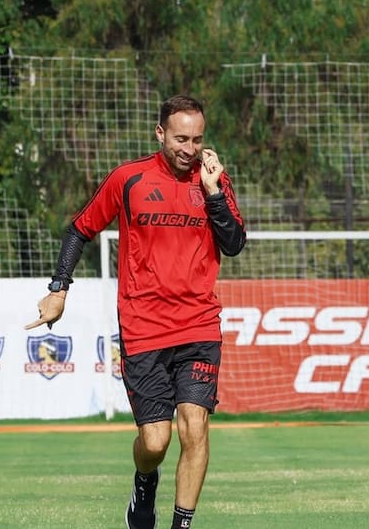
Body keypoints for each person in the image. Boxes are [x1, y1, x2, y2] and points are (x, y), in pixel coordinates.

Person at [25, 95, 245, 529]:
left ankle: (182, 523)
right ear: (160, 133)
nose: (190, 148)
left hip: (200, 324)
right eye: (181, 138)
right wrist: (58, 289)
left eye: (197, 139)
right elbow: (80, 229)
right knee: (156, 440)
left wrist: (215, 192)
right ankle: (144, 482)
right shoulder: (128, 179)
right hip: (144, 328)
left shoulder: (215, 180)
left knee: (195, 428)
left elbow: (235, 244)